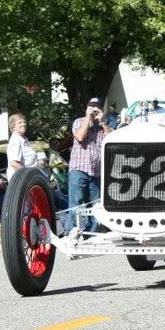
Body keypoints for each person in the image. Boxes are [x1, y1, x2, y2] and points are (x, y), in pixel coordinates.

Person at [67, 97, 112, 232]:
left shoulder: (103, 127)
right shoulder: (79, 122)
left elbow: (112, 140)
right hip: (79, 170)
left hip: (96, 172)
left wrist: (103, 122)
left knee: (95, 205)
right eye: (91, 107)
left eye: (96, 108)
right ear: (87, 108)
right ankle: (75, 232)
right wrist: (88, 118)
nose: (94, 110)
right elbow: (80, 137)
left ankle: (92, 234)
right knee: (77, 204)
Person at [6, 112, 38, 181]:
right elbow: (14, 163)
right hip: (21, 181)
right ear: (13, 127)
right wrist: (28, 177)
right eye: (20, 122)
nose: (23, 124)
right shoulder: (16, 140)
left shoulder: (23, 139)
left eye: (24, 122)